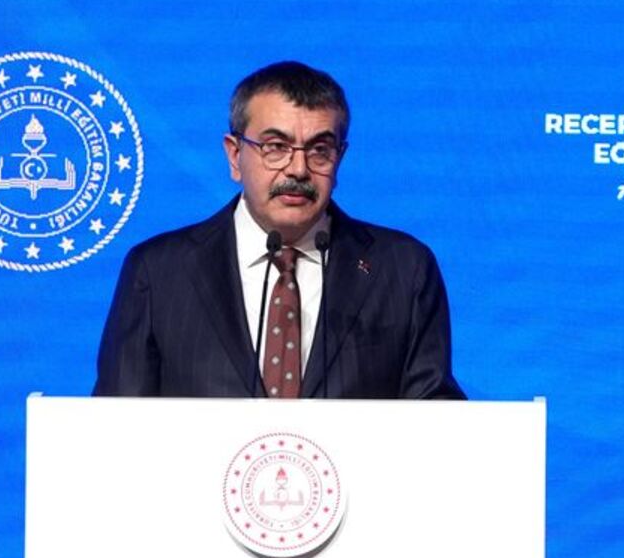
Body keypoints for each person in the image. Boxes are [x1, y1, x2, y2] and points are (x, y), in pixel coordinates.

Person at [93, 61, 464, 399]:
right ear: (234, 155)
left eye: (320, 150)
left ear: (340, 159)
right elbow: (115, 424)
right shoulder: (159, 272)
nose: (298, 170)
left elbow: (437, 420)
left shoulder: (402, 269)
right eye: (275, 147)